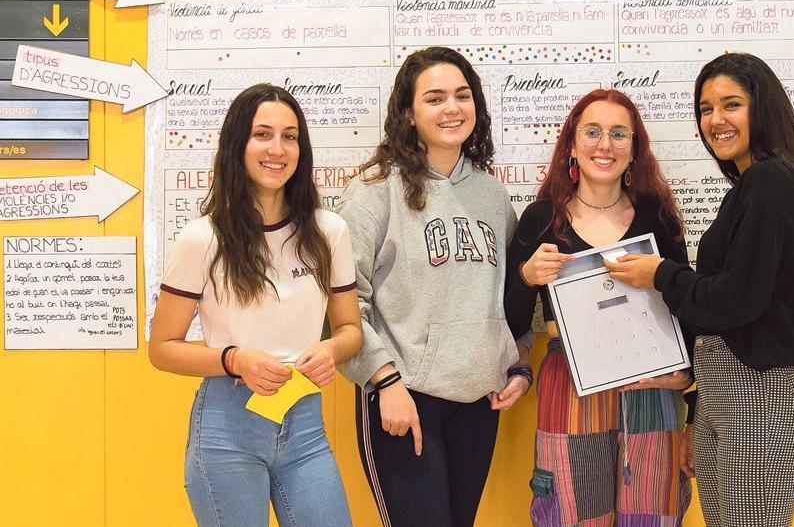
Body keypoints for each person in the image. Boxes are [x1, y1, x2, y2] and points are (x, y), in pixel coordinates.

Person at [606, 53, 794, 527]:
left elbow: (735, 301)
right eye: (706, 109)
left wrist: (660, 274)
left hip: (761, 402)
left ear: (763, 108)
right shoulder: (750, 185)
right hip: (724, 396)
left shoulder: (771, 182)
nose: (716, 120)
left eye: (731, 104)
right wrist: (697, 413)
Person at [148, 83, 363, 527]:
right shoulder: (201, 239)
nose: (277, 149)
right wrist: (233, 360)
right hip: (227, 429)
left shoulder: (330, 232)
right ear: (237, 144)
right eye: (262, 134)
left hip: (304, 426)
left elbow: (350, 330)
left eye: (290, 136)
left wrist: (331, 350)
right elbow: (162, 348)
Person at [337, 46, 532, 527]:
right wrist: (383, 381)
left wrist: (519, 363)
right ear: (408, 113)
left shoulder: (491, 193)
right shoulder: (374, 189)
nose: (452, 109)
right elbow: (341, 301)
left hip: (478, 403)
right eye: (435, 98)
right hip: (404, 397)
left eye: (462, 96)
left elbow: (510, 296)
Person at [506, 88, 693, 526]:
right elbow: (513, 322)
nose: (604, 145)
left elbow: (688, 306)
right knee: (573, 512)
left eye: (618, 134)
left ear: (634, 149)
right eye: (591, 132)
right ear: (572, 144)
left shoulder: (658, 219)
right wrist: (526, 278)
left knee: (651, 513)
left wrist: (689, 378)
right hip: (570, 385)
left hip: (652, 389)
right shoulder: (542, 219)